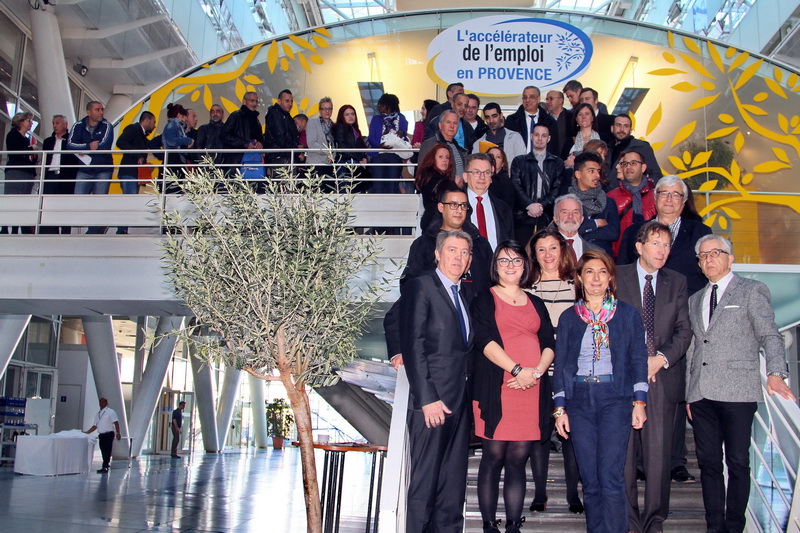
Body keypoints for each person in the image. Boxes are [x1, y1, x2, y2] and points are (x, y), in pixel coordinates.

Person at [687, 235, 795, 533]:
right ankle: (714, 526)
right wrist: (688, 393)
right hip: (701, 393)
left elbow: (770, 335)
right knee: (708, 464)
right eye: (703, 256)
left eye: (715, 253)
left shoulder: (751, 290)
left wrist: (776, 372)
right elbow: (695, 347)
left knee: (737, 462)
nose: (708, 259)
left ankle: (735, 526)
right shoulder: (695, 299)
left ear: (730, 258)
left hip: (738, 389)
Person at [553, 249, 648, 533]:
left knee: (610, 476)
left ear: (610, 278)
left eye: (602, 272)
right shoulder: (570, 317)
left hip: (615, 399)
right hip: (579, 400)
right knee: (590, 480)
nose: (596, 278)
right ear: (580, 278)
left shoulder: (627, 314)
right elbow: (561, 365)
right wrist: (560, 409)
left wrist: (639, 401)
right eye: (589, 272)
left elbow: (638, 359)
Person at [471, 240, 555, 533]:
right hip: (499, 386)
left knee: (519, 458)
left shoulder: (536, 302)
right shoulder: (484, 299)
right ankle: (488, 524)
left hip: (531, 388)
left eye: (516, 261)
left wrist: (536, 372)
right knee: (493, 457)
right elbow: (484, 341)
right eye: (504, 261)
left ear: (524, 266)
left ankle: (513, 525)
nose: (511, 266)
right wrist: (517, 370)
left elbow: (548, 342)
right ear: (495, 267)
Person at [616, 221, 692, 533]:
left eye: (666, 245)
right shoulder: (616, 275)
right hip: (622, 380)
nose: (662, 251)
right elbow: (605, 323)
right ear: (639, 247)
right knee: (623, 457)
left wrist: (659, 359)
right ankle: (629, 520)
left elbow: (684, 330)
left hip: (662, 380)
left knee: (659, 458)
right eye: (655, 243)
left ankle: (654, 521)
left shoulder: (677, 281)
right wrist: (636, 362)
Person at [400, 229, 474, 532]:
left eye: (465, 252)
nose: (459, 257)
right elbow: (413, 344)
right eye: (453, 250)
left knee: (452, 485)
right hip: (432, 403)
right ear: (437, 254)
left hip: (459, 402)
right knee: (425, 484)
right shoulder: (421, 287)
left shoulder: (464, 294)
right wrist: (427, 398)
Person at [385, 184, 492, 371]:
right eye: (453, 204)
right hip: (436, 337)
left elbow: (490, 285)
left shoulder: (481, 244)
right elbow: (410, 290)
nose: (459, 210)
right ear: (441, 207)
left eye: (463, 206)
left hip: (477, 332)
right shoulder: (423, 244)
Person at [524, 227, 584, 515]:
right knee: (540, 434)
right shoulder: (526, 289)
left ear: (563, 251)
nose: (548, 255)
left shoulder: (577, 286)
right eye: (541, 250)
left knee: (571, 433)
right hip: (537, 373)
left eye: (553, 248)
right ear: (534, 256)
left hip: (570, 372)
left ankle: (574, 494)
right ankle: (540, 493)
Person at [509, 124, 566, 245]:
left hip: (547, 216)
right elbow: (516, 186)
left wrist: (541, 206)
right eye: (536, 135)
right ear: (531, 136)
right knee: (523, 252)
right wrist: (529, 205)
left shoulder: (557, 162)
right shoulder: (519, 161)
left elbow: (557, 188)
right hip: (523, 216)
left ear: (549, 138)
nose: (540, 138)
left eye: (544, 135)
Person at [607, 149, 656, 257]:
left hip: (651, 255)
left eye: (633, 163)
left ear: (643, 167)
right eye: (625, 164)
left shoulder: (656, 196)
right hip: (620, 257)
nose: (628, 167)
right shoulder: (611, 197)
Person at [570, 152, 620, 255]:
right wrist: (596, 223)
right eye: (591, 171)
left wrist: (585, 233)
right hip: (574, 256)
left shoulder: (608, 201)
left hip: (601, 256)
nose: (597, 175)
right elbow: (567, 229)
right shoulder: (567, 202)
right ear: (578, 174)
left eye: (598, 171)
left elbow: (613, 232)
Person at [115, 111, 156, 233]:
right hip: (129, 172)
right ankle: (122, 230)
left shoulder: (142, 136)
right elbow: (120, 142)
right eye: (153, 122)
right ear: (147, 120)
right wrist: (138, 155)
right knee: (129, 201)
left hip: (134, 173)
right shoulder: (133, 129)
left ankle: (123, 229)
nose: (154, 126)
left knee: (130, 201)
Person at [463, 153, 514, 251]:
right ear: (465, 177)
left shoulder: (503, 209)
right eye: (476, 172)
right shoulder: (454, 206)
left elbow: (510, 243)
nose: (482, 177)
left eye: (486, 172)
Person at [41, 114, 79, 234]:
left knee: (64, 205)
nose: (55, 125)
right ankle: (49, 231)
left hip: (65, 176)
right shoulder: (48, 141)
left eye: (57, 123)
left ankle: (65, 231)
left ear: (65, 124)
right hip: (50, 175)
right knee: (49, 205)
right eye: (53, 123)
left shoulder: (72, 141)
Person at [367, 93, 410, 194]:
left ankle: (391, 208)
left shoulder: (401, 118)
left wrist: (401, 133)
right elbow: (371, 137)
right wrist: (379, 145)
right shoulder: (376, 119)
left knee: (392, 185)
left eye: (380, 104)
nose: (378, 107)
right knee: (378, 185)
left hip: (394, 155)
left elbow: (404, 136)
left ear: (387, 106)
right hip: (378, 155)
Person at [3, 112, 37, 234]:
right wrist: (30, 149)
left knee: (24, 202)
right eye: (29, 120)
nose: (31, 123)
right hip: (15, 171)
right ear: (21, 121)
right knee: (12, 201)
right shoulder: (13, 135)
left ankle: (20, 228)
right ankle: (6, 228)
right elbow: (14, 152)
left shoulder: (27, 138)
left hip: (27, 173)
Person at [606, 113, 662, 185]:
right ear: (612, 128)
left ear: (631, 130)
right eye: (618, 125)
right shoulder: (606, 149)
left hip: (632, 193)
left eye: (626, 126)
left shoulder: (642, 147)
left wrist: (641, 191)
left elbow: (656, 174)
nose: (622, 129)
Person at [220, 91, 265, 177]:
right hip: (237, 162)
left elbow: (260, 138)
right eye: (252, 101)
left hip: (253, 160)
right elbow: (224, 135)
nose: (255, 103)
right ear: (244, 101)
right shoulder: (236, 116)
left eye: (256, 101)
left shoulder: (256, 120)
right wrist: (245, 144)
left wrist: (261, 143)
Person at [414, 143, 455, 231]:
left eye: (447, 157)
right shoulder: (432, 178)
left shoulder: (428, 177)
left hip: (433, 222)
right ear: (432, 159)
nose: (445, 160)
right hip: (435, 223)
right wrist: (455, 187)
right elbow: (440, 196)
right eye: (440, 157)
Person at [418, 110, 467, 183]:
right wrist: (452, 185)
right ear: (440, 125)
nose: (452, 126)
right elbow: (423, 175)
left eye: (455, 123)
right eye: (448, 122)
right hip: (440, 192)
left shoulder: (458, 148)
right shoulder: (429, 144)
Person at [331, 104, 369, 192]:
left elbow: (362, 148)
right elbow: (342, 147)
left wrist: (364, 158)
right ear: (342, 116)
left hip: (354, 165)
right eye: (347, 114)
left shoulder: (355, 129)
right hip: (345, 164)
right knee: (346, 193)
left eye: (352, 114)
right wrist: (360, 158)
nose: (350, 116)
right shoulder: (339, 127)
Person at [553, 194, 600, 262]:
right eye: (564, 212)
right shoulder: (542, 251)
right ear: (555, 219)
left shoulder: (597, 252)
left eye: (575, 212)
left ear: (582, 219)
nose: (570, 216)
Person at [160, 103, 195, 192]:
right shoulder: (172, 125)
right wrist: (188, 141)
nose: (186, 118)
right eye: (184, 115)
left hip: (175, 160)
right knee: (173, 189)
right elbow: (171, 141)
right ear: (179, 114)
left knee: (177, 188)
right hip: (172, 160)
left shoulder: (176, 126)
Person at [264, 89, 300, 167]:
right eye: (287, 101)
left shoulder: (285, 115)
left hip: (283, 157)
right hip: (279, 158)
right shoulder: (276, 114)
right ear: (279, 101)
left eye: (291, 101)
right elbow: (281, 138)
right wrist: (297, 151)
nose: (290, 104)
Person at [84, 397, 121, 473]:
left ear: (106, 403)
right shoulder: (97, 414)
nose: (101, 404)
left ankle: (105, 466)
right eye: (100, 402)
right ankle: (105, 464)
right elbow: (95, 426)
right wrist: (87, 432)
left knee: (107, 450)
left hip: (109, 434)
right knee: (103, 450)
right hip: (102, 435)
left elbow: (116, 422)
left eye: (103, 402)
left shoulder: (110, 412)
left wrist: (118, 432)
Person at [306, 96, 334, 181]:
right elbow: (311, 143)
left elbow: (336, 144)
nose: (327, 111)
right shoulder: (312, 122)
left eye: (329, 108)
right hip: (315, 163)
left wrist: (333, 155)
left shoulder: (335, 125)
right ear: (320, 110)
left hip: (330, 164)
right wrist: (327, 151)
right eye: (324, 108)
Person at [566, 103, 600, 168]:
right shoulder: (569, 141)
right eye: (580, 114)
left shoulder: (603, 138)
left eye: (587, 114)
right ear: (576, 119)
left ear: (592, 117)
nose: (583, 117)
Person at [545, 89, 574, 159]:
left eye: (551, 99)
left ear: (560, 100)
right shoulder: (544, 119)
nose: (548, 102)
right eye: (547, 99)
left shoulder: (571, 117)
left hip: (568, 159)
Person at [486, 146, 515, 210]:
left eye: (498, 157)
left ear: (503, 163)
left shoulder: (505, 181)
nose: (494, 159)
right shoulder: (481, 178)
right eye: (491, 156)